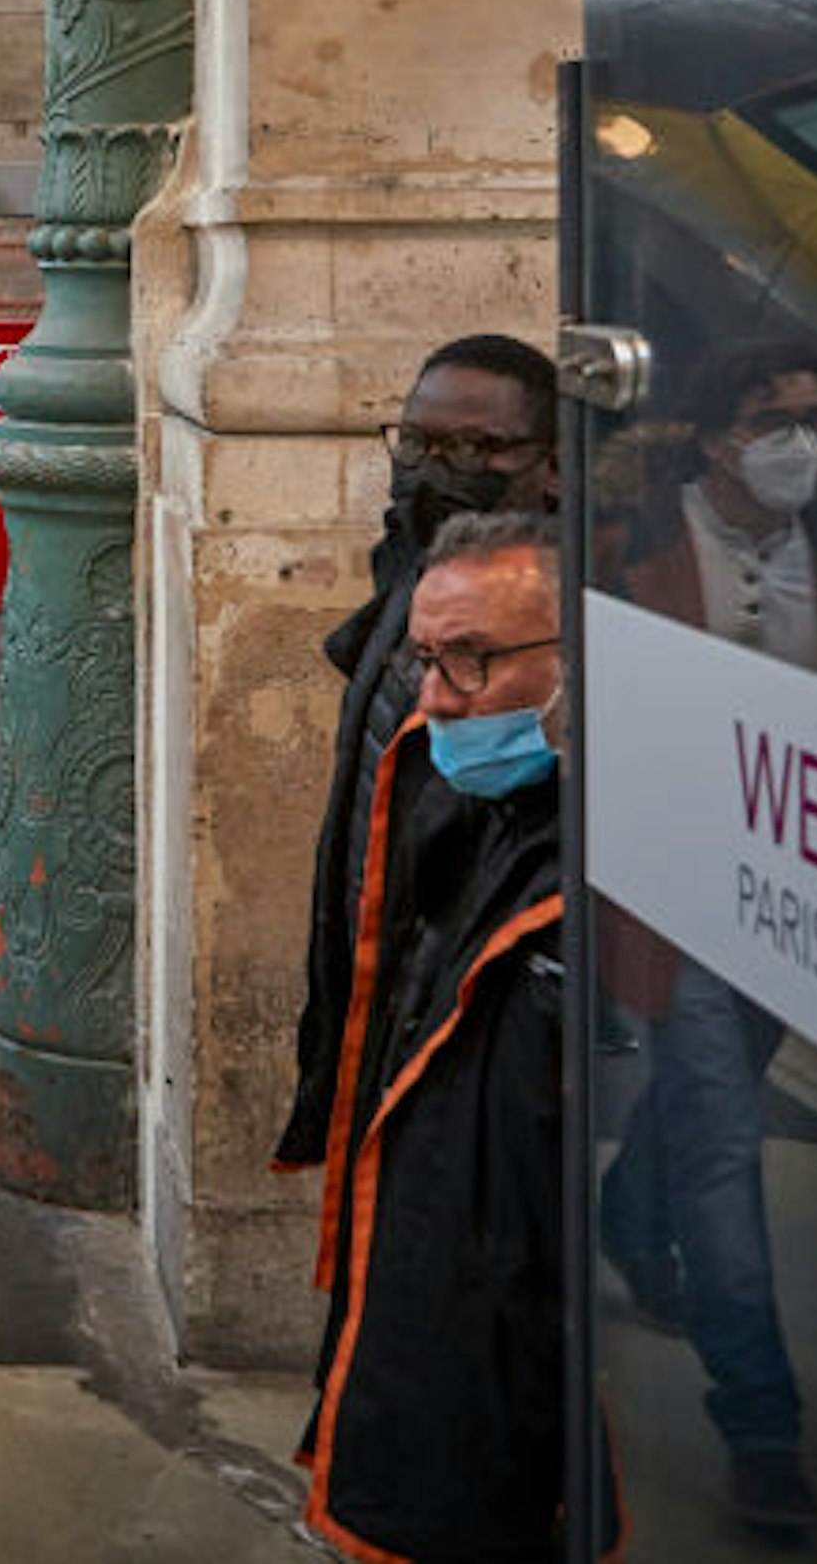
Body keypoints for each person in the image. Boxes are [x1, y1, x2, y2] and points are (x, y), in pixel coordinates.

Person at [590, 339, 817, 1541]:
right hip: (681, 891)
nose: (802, 445)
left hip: (806, 896)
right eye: (777, 421)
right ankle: (762, 1424)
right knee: (724, 1137)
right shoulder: (632, 547)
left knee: (705, 1096)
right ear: (718, 437)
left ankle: (629, 1212)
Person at [301, 512, 577, 1563]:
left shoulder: (611, 886)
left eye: (472, 664)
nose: (436, 701)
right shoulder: (459, 804)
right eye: (427, 662)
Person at [278, 332, 558, 1169]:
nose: (440, 468)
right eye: (422, 443)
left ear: (553, 463)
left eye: (478, 446)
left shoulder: (558, 619)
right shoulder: (416, 570)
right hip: (382, 991)